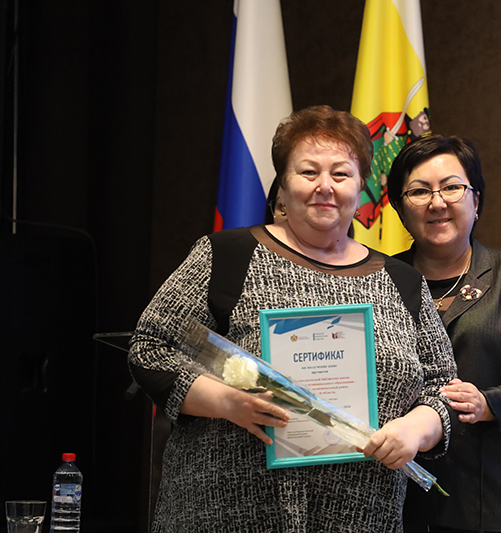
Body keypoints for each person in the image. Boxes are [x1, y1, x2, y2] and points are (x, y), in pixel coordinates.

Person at [128, 106, 457, 533]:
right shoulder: (226, 256)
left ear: (361, 187)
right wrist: (228, 402)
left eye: (341, 174)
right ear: (282, 186)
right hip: (224, 512)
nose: (325, 186)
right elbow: (150, 348)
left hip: (359, 516)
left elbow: (442, 387)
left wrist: (415, 429)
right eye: (308, 172)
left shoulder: (403, 280)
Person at [387, 135, 501, 533]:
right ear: (400, 209)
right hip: (396, 498)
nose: (437, 202)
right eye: (419, 191)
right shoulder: (380, 280)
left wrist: (489, 403)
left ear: (477, 201)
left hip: (489, 499)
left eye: (452, 187)